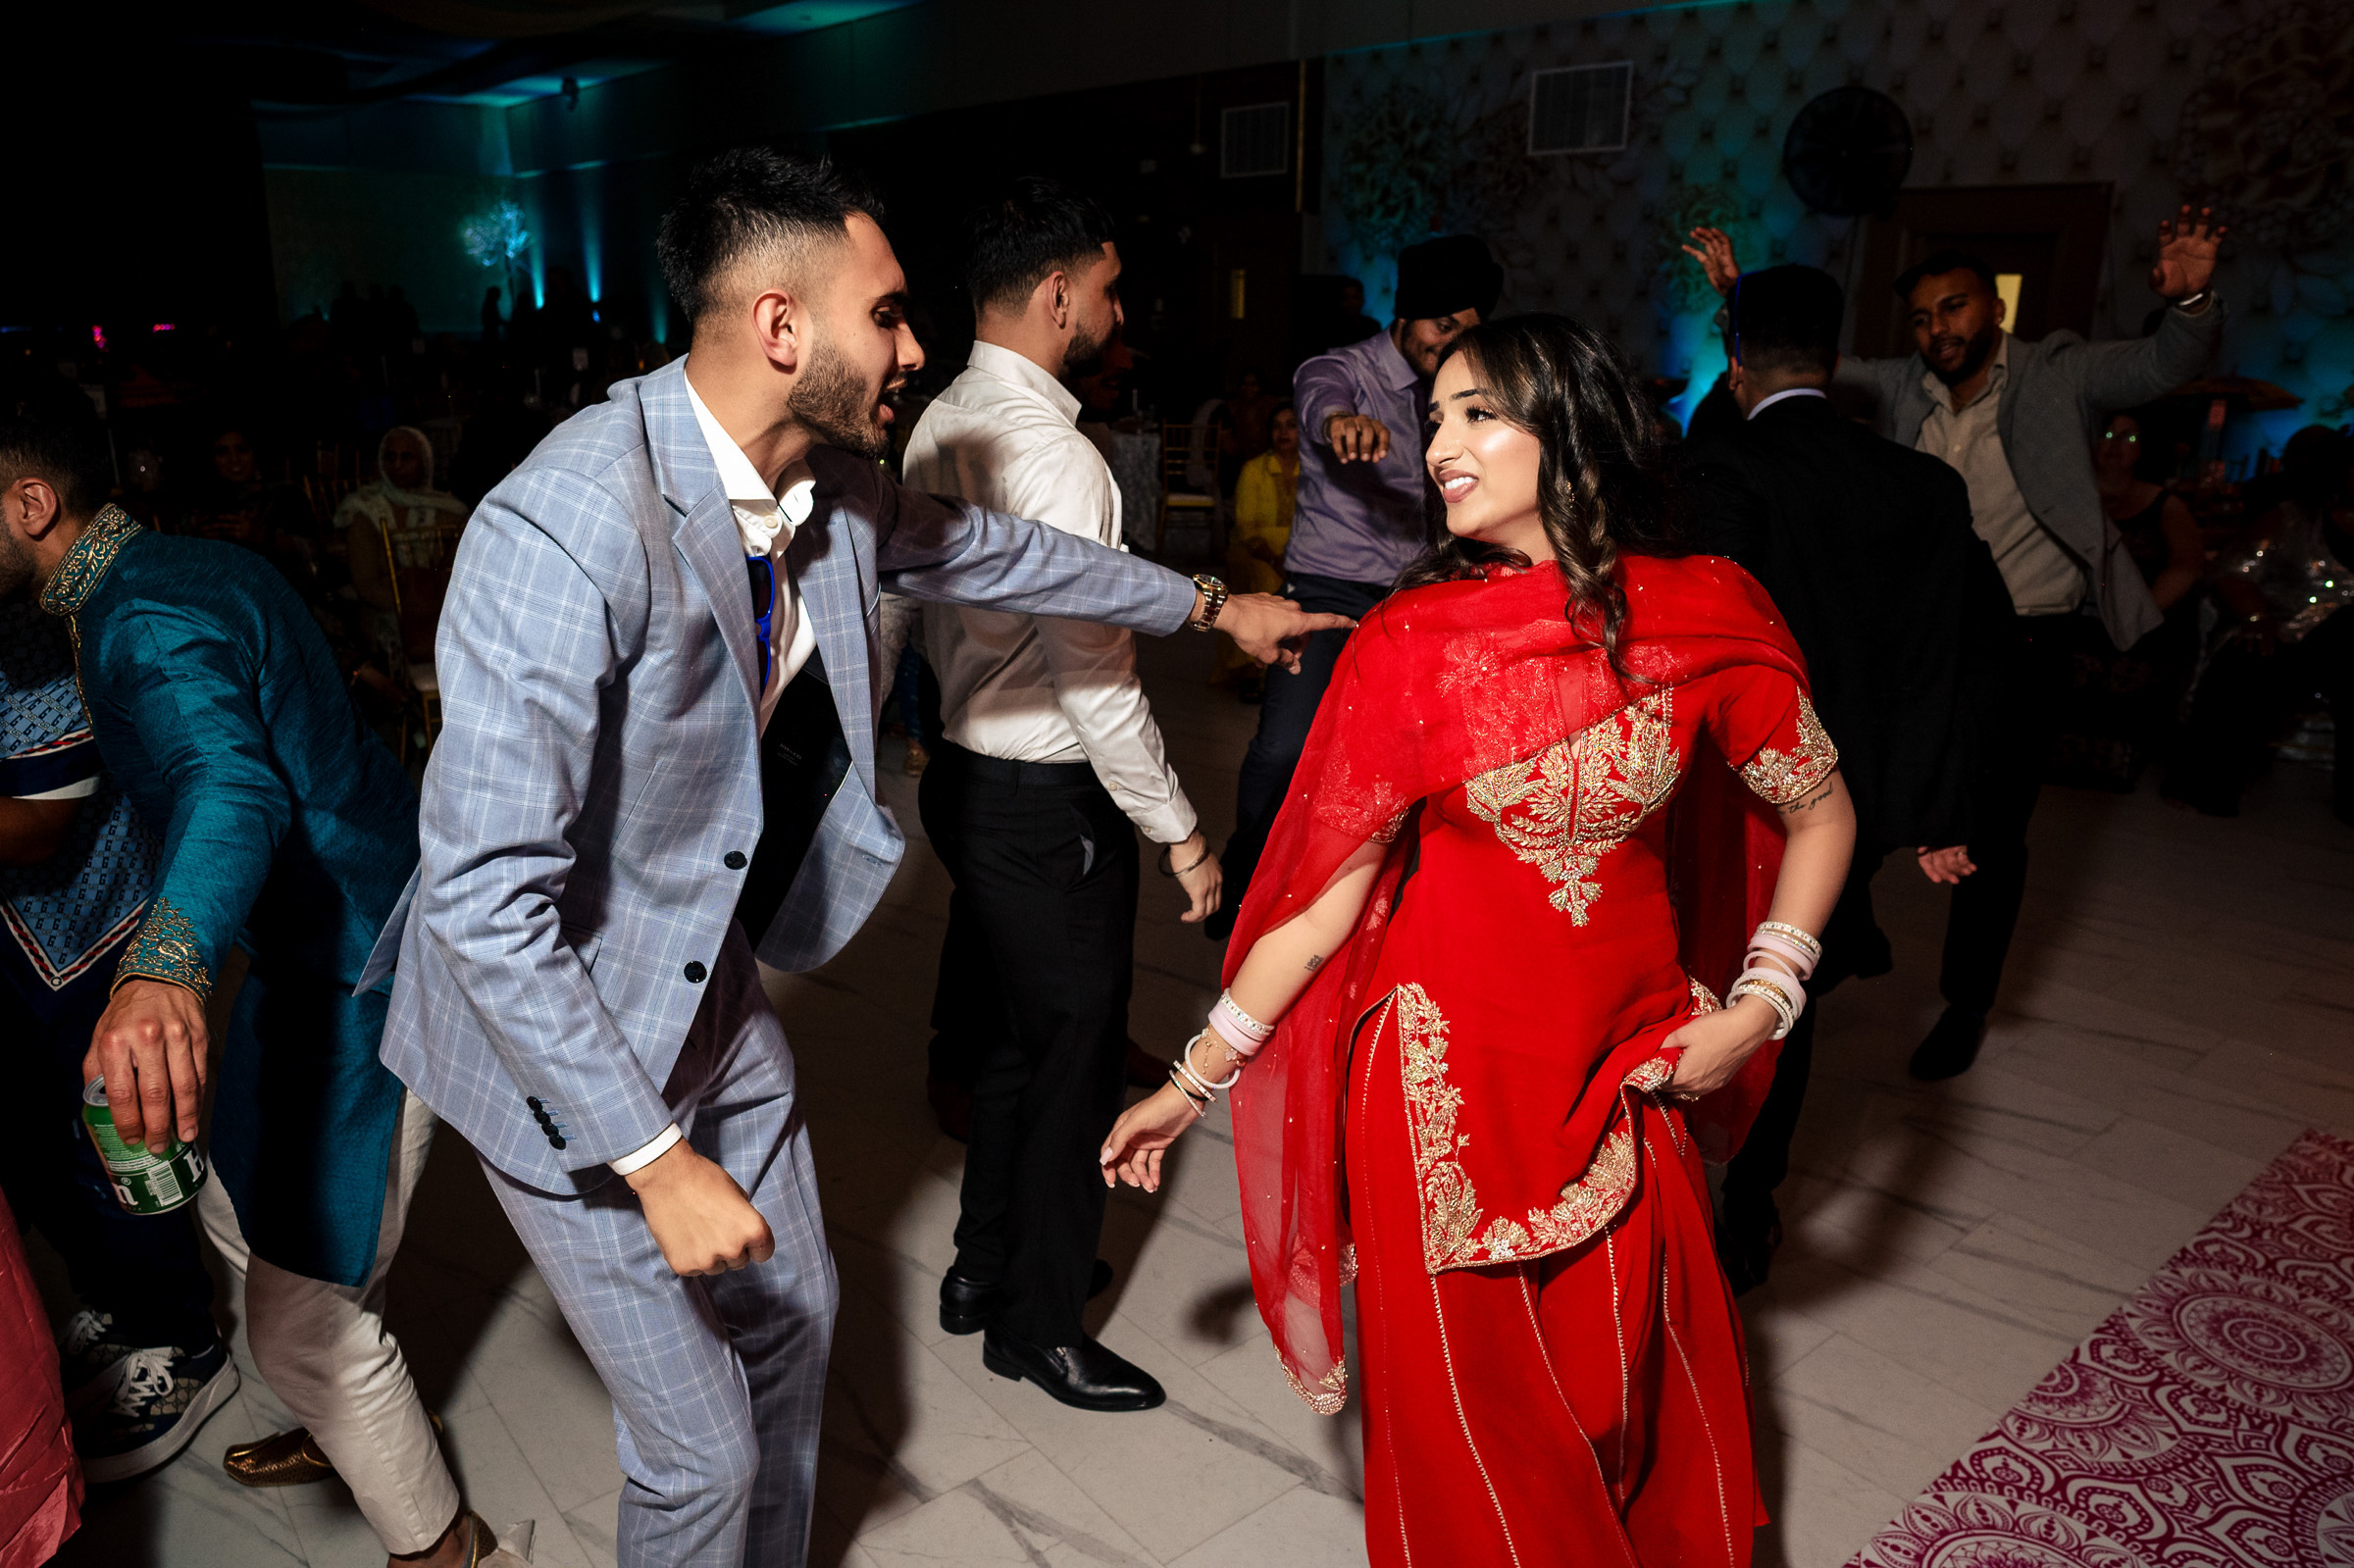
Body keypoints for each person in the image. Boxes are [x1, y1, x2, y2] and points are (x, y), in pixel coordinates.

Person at [365, 148, 1347, 1568]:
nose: (917, 343)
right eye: (886, 315)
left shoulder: (831, 482)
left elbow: (1007, 554)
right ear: (781, 326)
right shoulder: (568, 522)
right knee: (698, 1442)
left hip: (707, 985)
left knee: (798, 1319)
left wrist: (1209, 603)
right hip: (555, 1045)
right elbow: (479, 900)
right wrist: (651, 1158)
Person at [1101, 314, 1856, 1566]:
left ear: (1568, 431)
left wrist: (1765, 1000)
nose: (1437, 441)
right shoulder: (1414, 648)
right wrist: (1195, 1077)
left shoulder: (1701, 621)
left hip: (1627, 1066)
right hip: (1437, 1090)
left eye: (1474, 414)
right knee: (1475, 1442)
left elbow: (1819, 811)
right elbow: (1323, 904)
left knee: (1625, 1401)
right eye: (1433, 415)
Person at [0, 414, 515, 1568]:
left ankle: (446, 1550)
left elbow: (229, 785)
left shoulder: (146, 616)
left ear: (33, 506)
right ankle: (351, 1431)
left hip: (364, 961)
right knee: (234, 1201)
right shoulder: (163, 566)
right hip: (310, 949)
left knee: (303, 1331)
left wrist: (162, 966)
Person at [1681, 209, 2226, 1078]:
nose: (1940, 328)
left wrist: (2192, 298)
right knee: (1847, 799)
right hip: (1922, 639)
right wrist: (1741, 300)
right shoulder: (1904, 385)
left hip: (2024, 642)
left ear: (1994, 311)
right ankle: (1840, 934)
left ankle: (1967, 1002)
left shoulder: (2058, 372)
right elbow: (1801, 364)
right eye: (1924, 317)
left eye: (1956, 307)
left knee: (1988, 837)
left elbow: (2162, 363)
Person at [904, 177, 1223, 1411]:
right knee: (1072, 1063)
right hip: (1044, 804)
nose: (1114, 304)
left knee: (1006, 1047)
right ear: (1055, 296)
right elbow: (1095, 682)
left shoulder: (937, 420)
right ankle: (1037, 1324)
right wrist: (1182, 833)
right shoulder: (1061, 456)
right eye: (1107, 287)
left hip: (970, 782)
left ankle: (985, 1270)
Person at [1676, 265, 2014, 1290]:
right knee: (1786, 992)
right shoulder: (1922, 485)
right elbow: (1956, 655)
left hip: (1724, 784)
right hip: (1849, 792)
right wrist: (1936, 809)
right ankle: (1751, 1208)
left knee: (1692, 974)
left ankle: (1674, 1193)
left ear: (1736, 368)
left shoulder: (1724, 470)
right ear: (1835, 362)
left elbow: (1690, 631)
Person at [1208, 233, 1502, 936]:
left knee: (1420, 763)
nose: (1453, 340)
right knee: (1283, 750)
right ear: (1405, 316)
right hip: (1329, 589)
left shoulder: (1467, 382)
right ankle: (1246, 882)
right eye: (1443, 325)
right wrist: (1341, 422)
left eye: (1468, 327)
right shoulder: (1342, 371)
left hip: (1423, 595)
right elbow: (1319, 398)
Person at [2, 599, 232, 1482]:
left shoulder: (23, 627)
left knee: (123, 1151)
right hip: (15, 946)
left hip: (91, 933)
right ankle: (119, 1302)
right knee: (38, 1156)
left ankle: (187, 1342)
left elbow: (40, 820)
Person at [2168, 425, 2353, 823]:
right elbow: (2231, 571)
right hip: (2287, 633)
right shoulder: (2291, 517)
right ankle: (2206, 784)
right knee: (2245, 665)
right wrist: (2257, 617)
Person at [2053, 411, 2206, 790]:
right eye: (2107, 434)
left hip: (2135, 615)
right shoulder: (2065, 498)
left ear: (2141, 450)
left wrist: (2138, 613)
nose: (2116, 445)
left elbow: (2186, 567)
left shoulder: (2164, 504)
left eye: (2128, 438)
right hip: (2070, 611)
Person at [340, 425, 471, 678]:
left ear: (424, 460)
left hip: (440, 603)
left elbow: (458, 570)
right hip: (388, 606)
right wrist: (415, 604)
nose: (397, 465)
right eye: (390, 457)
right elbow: (367, 584)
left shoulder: (449, 510)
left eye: (407, 457)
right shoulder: (365, 511)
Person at [1214, 403, 1300, 694]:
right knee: (1263, 580)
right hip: (1256, 550)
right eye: (1277, 426)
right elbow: (1246, 527)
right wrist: (1275, 559)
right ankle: (1254, 670)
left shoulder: (1312, 471)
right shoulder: (1254, 469)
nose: (1284, 432)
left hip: (1300, 550)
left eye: (1291, 425)